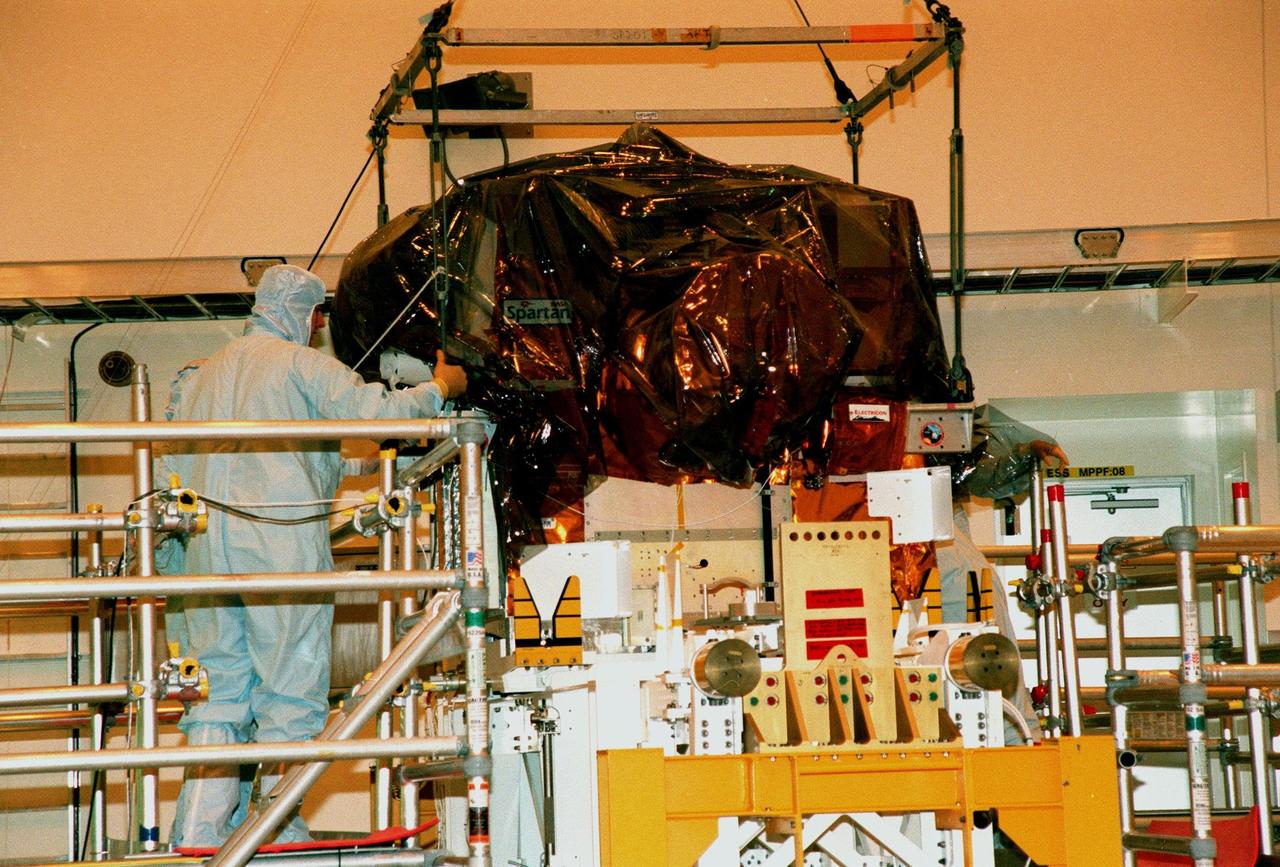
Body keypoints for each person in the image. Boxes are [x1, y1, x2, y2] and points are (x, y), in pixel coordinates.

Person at [160, 264, 467, 846]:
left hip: (205, 551)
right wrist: (441, 388)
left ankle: (197, 831)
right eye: (318, 314)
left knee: (219, 691)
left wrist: (371, 464)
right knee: (291, 685)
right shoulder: (300, 365)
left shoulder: (202, 375)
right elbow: (377, 412)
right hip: (278, 548)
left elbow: (279, 453)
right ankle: (275, 827)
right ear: (307, 314)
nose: (319, 324)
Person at [934, 405, 1068, 742]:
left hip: (988, 724)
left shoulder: (957, 553)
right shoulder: (953, 558)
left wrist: (1024, 454)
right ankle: (1019, 738)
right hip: (983, 726)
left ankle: (1018, 737)